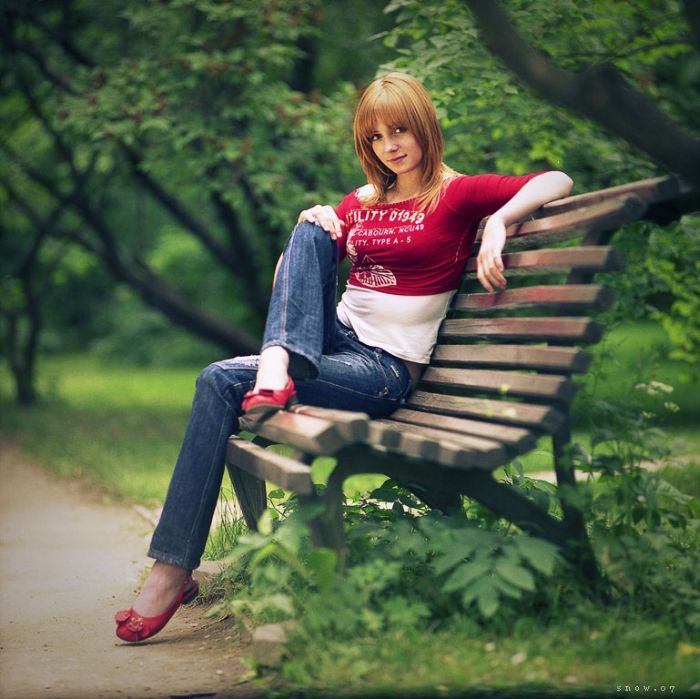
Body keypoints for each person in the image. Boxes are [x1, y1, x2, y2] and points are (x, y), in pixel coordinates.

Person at [114, 72, 573, 642]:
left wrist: (500, 221)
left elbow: (558, 178)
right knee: (310, 225)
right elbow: (293, 279)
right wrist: (317, 230)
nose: (391, 146)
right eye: (377, 138)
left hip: (380, 370)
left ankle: (171, 569)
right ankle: (272, 378)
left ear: (424, 127)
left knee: (218, 379)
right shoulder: (364, 200)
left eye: (401, 130)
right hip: (332, 339)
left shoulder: (456, 194)